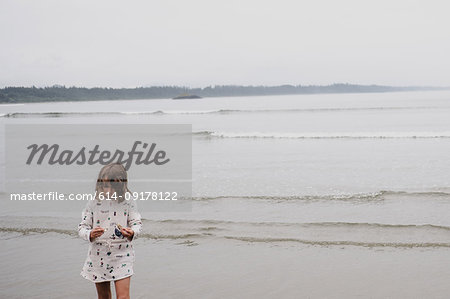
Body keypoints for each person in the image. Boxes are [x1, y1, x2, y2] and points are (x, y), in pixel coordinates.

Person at [78, 163, 142, 299]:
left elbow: (137, 223)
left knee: (123, 297)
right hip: (98, 255)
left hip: (123, 255)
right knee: (104, 297)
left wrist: (132, 232)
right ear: (100, 184)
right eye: (106, 186)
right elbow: (82, 227)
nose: (110, 191)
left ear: (122, 185)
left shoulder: (128, 201)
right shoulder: (94, 202)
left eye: (115, 187)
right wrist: (90, 234)